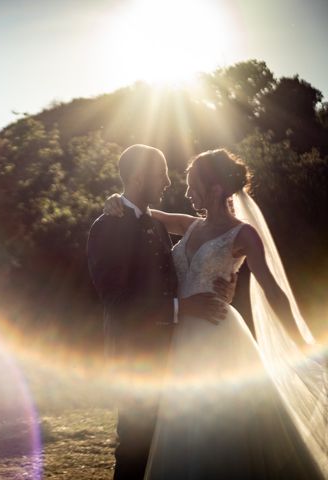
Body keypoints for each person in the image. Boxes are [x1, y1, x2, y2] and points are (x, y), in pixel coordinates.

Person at [104, 148, 327, 479]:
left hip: (216, 336)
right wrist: (113, 199)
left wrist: (302, 343)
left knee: (216, 428)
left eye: (193, 185)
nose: (186, 192)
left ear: (216, 189)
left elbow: (273, 290)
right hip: (177, 335)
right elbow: (142, 211)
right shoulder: (190, 226)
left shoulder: (243, 235)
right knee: (178, 426)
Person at [86, 144, 234, 480]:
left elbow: (179, 270)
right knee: (136, 447)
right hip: (134, 356)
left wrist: (223, 279)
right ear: (139, 177)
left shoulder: (155, 225)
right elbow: (118, 301)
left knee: (167, 448)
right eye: (162, 173)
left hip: (174, 352)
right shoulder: (105, 228)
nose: (168, 181)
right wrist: (183, 307)